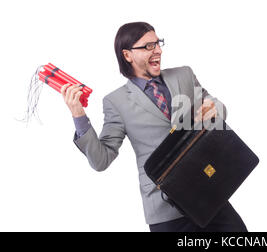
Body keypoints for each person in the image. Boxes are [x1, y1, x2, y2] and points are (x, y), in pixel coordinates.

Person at [61, 22, 247, 232]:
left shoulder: (183, 75)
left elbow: (212, 105)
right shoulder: (116, 101)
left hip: (208, 195)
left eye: (158, 43)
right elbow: (101, 160)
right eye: (148, 46)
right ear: (128, 55)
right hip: (165, 208)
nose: (158, 50)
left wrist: (216, 109)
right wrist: (78, 114)